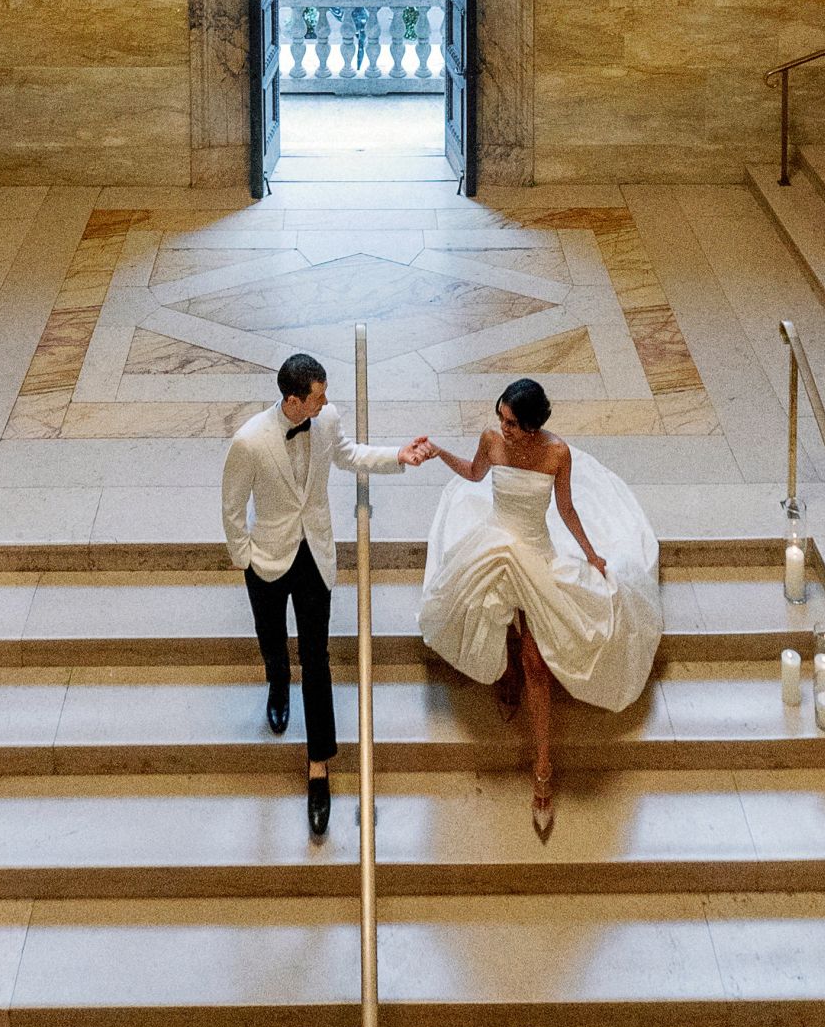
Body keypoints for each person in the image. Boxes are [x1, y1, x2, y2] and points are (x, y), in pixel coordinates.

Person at [416, 377, 662, 840]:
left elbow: (565, 509)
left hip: (534, 549)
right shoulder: (491, 440)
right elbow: (474, 474)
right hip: (493, 542)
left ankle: (543, 765)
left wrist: (589, 553)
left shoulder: (556, 454)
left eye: (511, 423)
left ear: (531, 427)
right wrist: (438, 452)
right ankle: (503, 676)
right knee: (484, 608)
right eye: (501, 418)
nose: (502, 428)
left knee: (536, 659)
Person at [222, 353, 430, 839]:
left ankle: (319, 765)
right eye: (318, 395)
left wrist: (397, 455)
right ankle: (277, 680)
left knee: (316, 657)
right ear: (294, 400)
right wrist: (244, 556)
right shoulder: (249, 441)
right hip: (268, 557)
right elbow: (232, 507)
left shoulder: (327, 419)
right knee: (272, 637)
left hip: (314, 552)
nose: (327, 401)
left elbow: (347, 454)